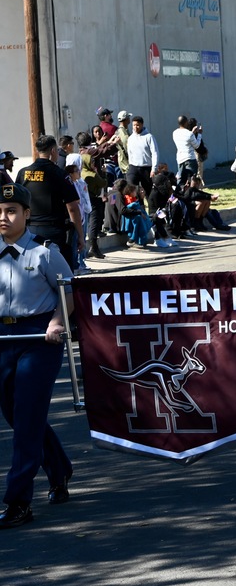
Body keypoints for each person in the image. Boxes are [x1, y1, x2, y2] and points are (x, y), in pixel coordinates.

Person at [0, 183, 75, 529]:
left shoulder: (45, 253)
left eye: (11, 210)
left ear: (27, 214)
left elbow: (67, 294)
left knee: (28, 416)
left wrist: (57, 322)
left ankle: (18, 501)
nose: (3, 217)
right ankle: (59, 470)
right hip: (3, 338)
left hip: (39, 339)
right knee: (15, 413)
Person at [15, 135, 85, 270]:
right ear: (53, 151)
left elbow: (17, 204)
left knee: (32, 272)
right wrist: (80, 236)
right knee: (61, 276)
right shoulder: (60, 174)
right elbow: (72, 208)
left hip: (29, 232)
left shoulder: (23, 173)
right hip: (55, 233)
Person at [126, 115, 159, 210]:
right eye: (134, 125)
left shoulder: (149, 137)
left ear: (142, 125)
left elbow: (155, 153)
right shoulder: (131, 138)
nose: (135, 127)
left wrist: (154, 168)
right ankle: (139, 209)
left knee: (149, 191)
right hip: (133, 167)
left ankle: (153, 213)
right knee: (133, 188)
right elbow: (130, 153)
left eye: (137, 125)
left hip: (146, 168)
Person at [172, 115, 201, 180]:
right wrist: (199, 134)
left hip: (180, 159)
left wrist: (192, 133)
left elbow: (185, 139)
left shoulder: (174, 133)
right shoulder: (189, 134)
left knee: (181, 178)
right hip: (190, 158)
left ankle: (180, 190)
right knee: (191, 179)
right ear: (186, 122)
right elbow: (196, 145)